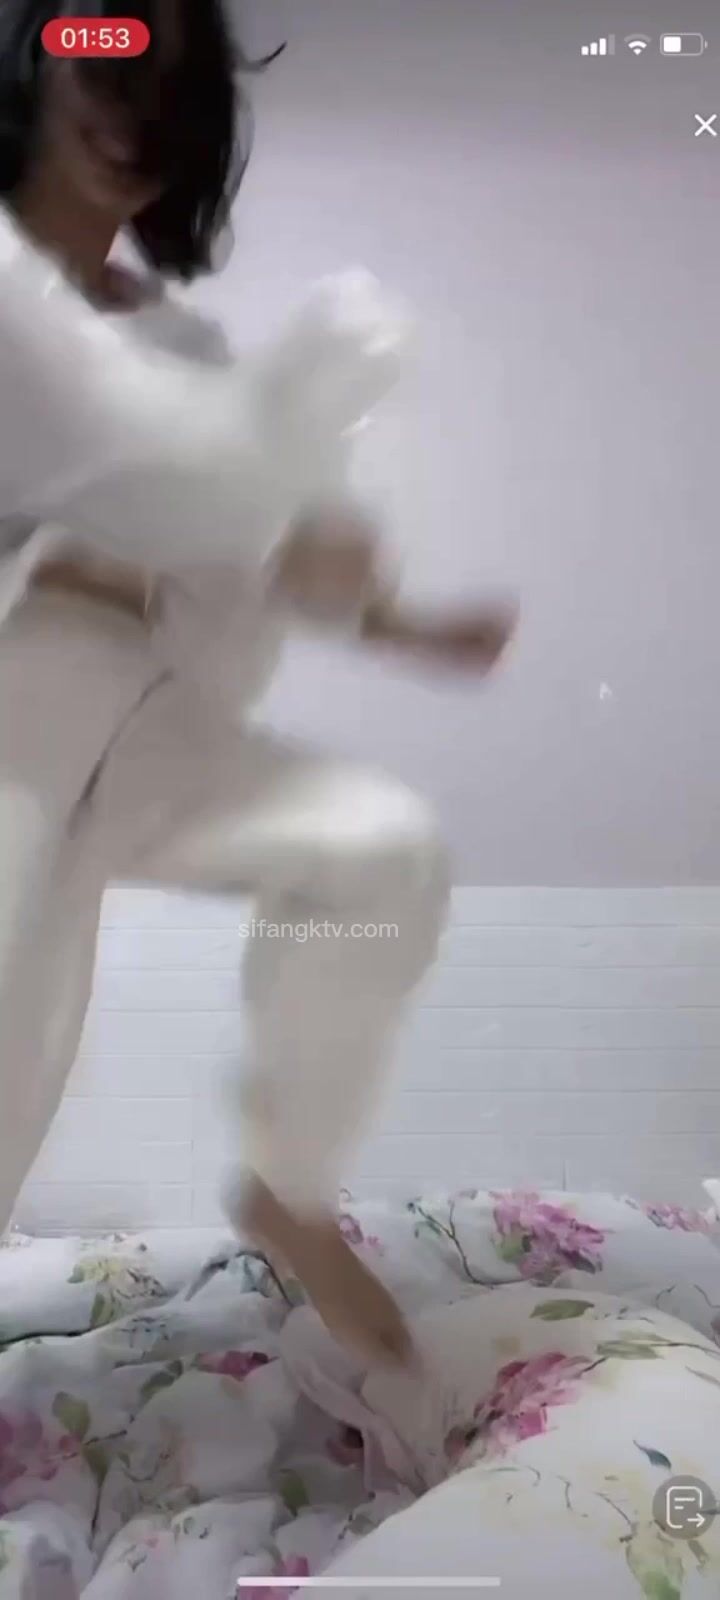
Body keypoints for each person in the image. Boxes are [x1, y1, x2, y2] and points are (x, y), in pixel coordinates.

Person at [0, 0, 515, 1366]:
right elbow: (181, 474)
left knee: (378, 853)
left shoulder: (180, 348)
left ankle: (287, 1189)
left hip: (149, 712)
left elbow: (257, 529)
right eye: (109, 65)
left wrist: (405, 623)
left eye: (174, 97)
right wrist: (299, 436)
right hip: (15, 714)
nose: (136, 118)